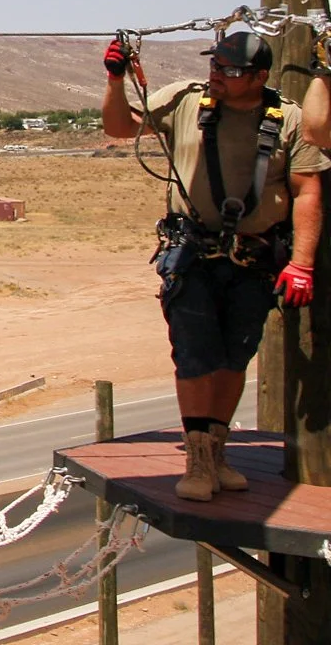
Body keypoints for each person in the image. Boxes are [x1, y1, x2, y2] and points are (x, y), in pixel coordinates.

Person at [102, 30, 322, 502]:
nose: (217, 75)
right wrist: (115, 80)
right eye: (215, 67)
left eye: (230, 71)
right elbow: (121, 128)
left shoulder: (287, 120)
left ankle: (216, 453)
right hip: (193, 253)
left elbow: (307, 191)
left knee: (234, 356)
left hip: (255, 257)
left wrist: (301, 264)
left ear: (260, 77)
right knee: (196, 356)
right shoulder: (185, 101)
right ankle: (198, 460)